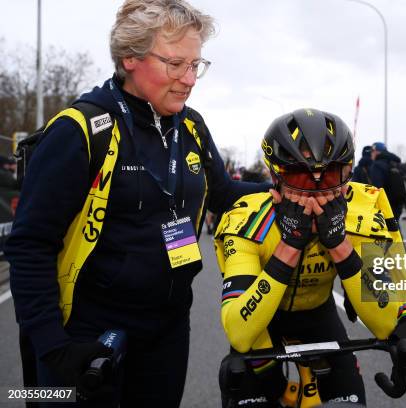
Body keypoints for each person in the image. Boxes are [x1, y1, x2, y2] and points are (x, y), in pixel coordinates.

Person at [6, 1, 268, 407]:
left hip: (166, 330)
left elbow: (223, 193)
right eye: (176, 63)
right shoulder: (79, 131)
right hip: (85, 333)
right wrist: (55, 348)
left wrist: (288, 189)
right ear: (130, 57)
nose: (189, 79)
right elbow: (29, 244)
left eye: (196, 64)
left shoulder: (192, 125)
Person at [215, 109, 406, 406]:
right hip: (262, 326)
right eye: (300, 176)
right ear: (275, 176)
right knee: (256, 383)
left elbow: (386, 323)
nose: (315, 192)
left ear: (348, 175)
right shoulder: (246, 220)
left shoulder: (363, 214)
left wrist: (340, 245)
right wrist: (288, 246)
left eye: (329, 177)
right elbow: (240, 334)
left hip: (319, 316)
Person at [369, 142, 406, 231]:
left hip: (384, 208)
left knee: (382, 237)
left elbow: (376, 188)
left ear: (376, 152)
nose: (371, 154)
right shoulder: (399, 166)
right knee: (395, 231)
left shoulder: (377, 165)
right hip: (398, 206)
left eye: (372, 151)